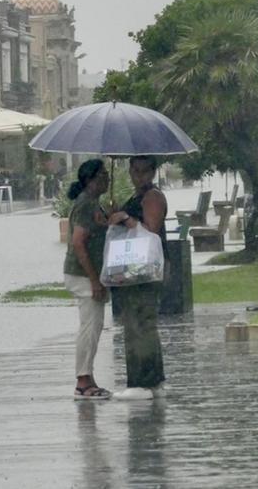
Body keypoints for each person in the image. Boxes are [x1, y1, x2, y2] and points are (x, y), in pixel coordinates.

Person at [109, 155, 168, 400]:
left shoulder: (153, 197)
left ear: (153, 172)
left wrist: (126, 218)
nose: (139, 176)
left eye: (144, 171)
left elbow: (151, 229)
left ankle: (142, 381)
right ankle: (151, 379)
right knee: (136, 322)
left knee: (139, 324)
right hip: (133, 269)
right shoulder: (136, 196)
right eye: (135, 170)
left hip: (144, 270)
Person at [63, 159, 112, 400]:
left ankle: (88, 376)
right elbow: (78, 242)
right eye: (102, 175)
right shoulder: (85, 206)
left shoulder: (94, 204)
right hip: (84, 274)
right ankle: (83, 381)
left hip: (92, 273)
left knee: (94, 325)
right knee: (90, 327)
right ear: (89, 180)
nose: (107, 179)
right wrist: (94, 279)